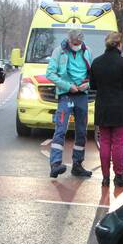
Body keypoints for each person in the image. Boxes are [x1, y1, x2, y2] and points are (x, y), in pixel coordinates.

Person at [89, 32, 123, 187]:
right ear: (119, 44)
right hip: (120, 108)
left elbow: (93, 85)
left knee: (104, 142)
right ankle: (118, 175)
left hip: (102, 107)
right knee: (119, 143)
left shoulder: (96, 62)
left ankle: (105, 177)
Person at [46, 29, 94, 178]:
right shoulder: (58, 52)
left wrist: (88, 84)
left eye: (79, 43)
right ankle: (55, 164)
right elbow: (50, 74)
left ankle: (77, 165)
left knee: (81, 132)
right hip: (66, 95)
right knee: (60, 129)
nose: (77, 45)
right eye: (75, 43)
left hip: (82, 95)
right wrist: (68, 86)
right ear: (69, 40)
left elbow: (92, 74)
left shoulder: (87, 52)